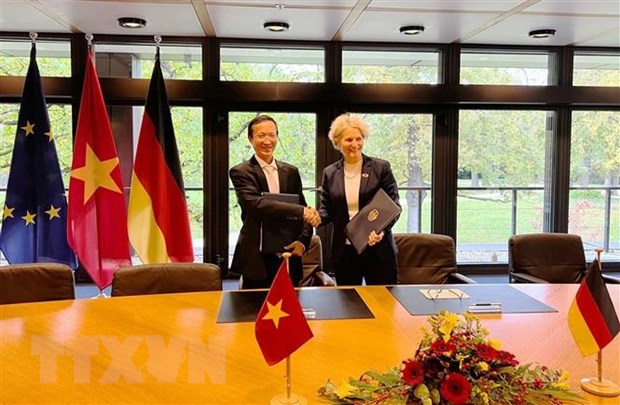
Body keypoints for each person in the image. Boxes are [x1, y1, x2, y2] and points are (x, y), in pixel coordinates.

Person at [230, 115, 320, 289]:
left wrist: (302, 241)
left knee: (292, 303)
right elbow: (256, 204)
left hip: (289, 255)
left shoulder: (291, 172)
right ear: (250, 139)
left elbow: (303, 209)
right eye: (261, 135)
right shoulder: (240, 172)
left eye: (272, 135)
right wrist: (302, 211)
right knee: (254, 305)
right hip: (256, 258)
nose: (267, 141)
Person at [318, 113, 400, 286]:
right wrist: (314, 216)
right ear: (338, 142)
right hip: (345, 251)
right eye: (349, 140)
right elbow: (326, 210)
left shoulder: (381, 168)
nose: (355, 144)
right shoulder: (330, 173)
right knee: (348, 300)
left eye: (359, 138)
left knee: (382, 300)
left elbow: (394, 206)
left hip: (378, 250)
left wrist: (381, 230)